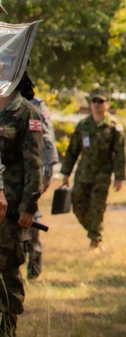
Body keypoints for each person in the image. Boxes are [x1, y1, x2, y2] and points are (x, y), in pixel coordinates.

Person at [0, 73, 44, 335]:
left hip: (12, 209)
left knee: (6, 266)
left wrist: (30, 203)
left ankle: (7, 326)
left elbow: (34, 162)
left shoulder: (26, 112)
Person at [60, 87, 126, 251]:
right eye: (94, 101)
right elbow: (72, 150)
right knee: (78, 205)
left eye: (100, 101)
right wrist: (66, 173)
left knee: (97, 207)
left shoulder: (113, 127)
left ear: (107, 104)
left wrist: (119, 177)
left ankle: (95, 240)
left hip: (102, 175)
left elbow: (119, 153)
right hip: (83, 173)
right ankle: (94, 232)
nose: (96, 104)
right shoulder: (83, 126)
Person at [24, 75, 59, 280]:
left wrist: (48, 170)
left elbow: (47, 136)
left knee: (30, 215)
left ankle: (34, 264)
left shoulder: (35, 104)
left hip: (31, 171)